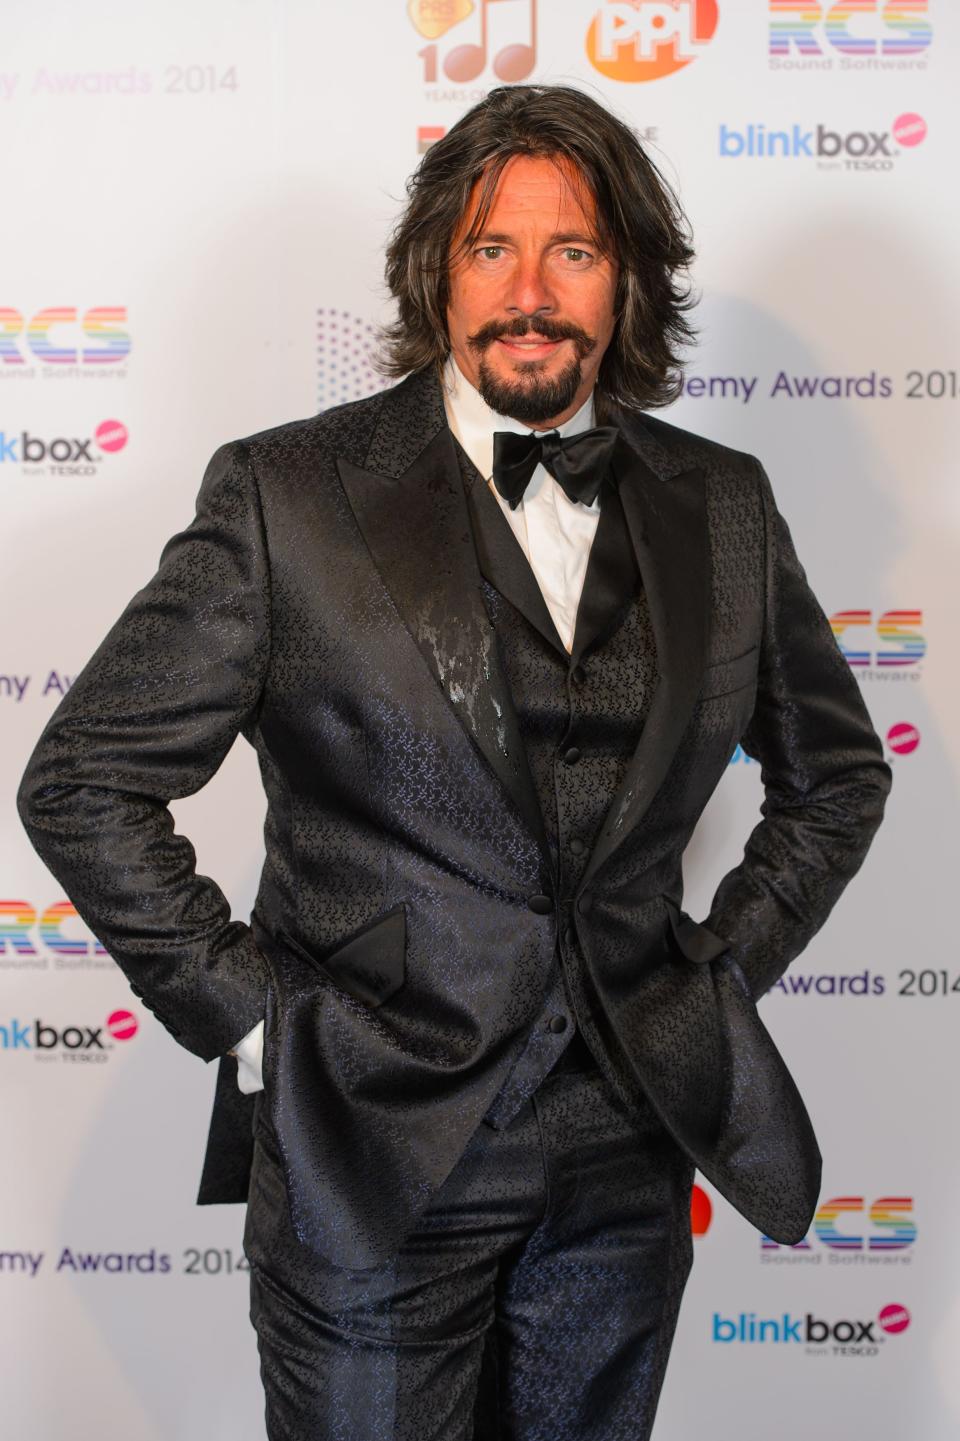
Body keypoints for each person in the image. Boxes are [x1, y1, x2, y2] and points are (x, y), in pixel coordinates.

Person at [17, 84, 891, 1440]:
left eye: (574, 252)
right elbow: (82, 779)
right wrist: (259, 1020)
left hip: (622, 1168)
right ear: (437, 270)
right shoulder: (286, 497)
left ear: (629, 283)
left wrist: (707, 981)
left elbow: (836, 776)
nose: (529, 293)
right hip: (370, 1152)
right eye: (492, 248)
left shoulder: (722, 504)